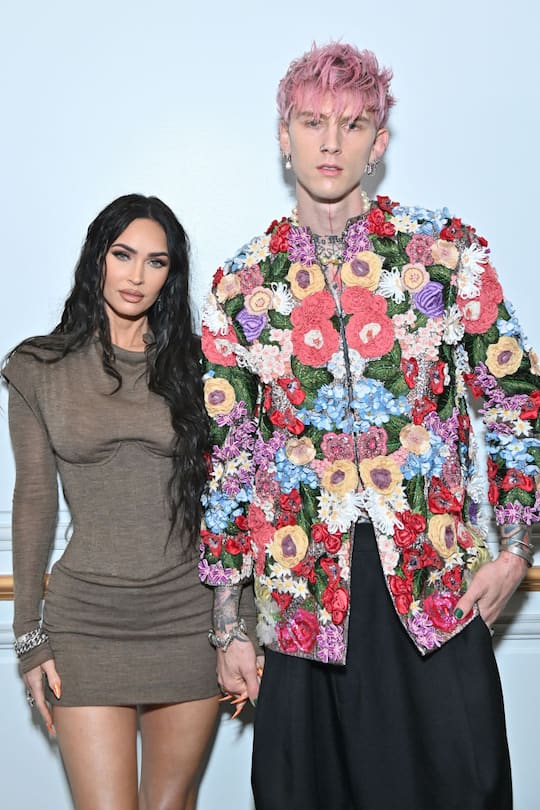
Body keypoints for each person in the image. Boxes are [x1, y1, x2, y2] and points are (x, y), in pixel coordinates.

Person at [199, 42, 540, 810]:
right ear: (282, 135)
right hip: (301, 599)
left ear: (378, 143)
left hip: (434, 584)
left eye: (351, 125)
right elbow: (228, 458)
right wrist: (228, 624)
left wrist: (517, 550)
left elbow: (516, 400)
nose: (330, 142)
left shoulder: (446, 254)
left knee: (464, 788)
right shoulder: (241, 284)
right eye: (311, 121)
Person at [3, 194, 220, 810]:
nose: (136, 275)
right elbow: (35, 499)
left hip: (189, 618)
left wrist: (241, 626)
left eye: (156, 262)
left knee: (169, 805)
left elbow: (232, 499)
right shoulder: (37, 367)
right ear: (97, 257)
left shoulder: (203, 367)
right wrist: (28, 637)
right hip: (86, 621)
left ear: (171, 274)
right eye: (123, 255)